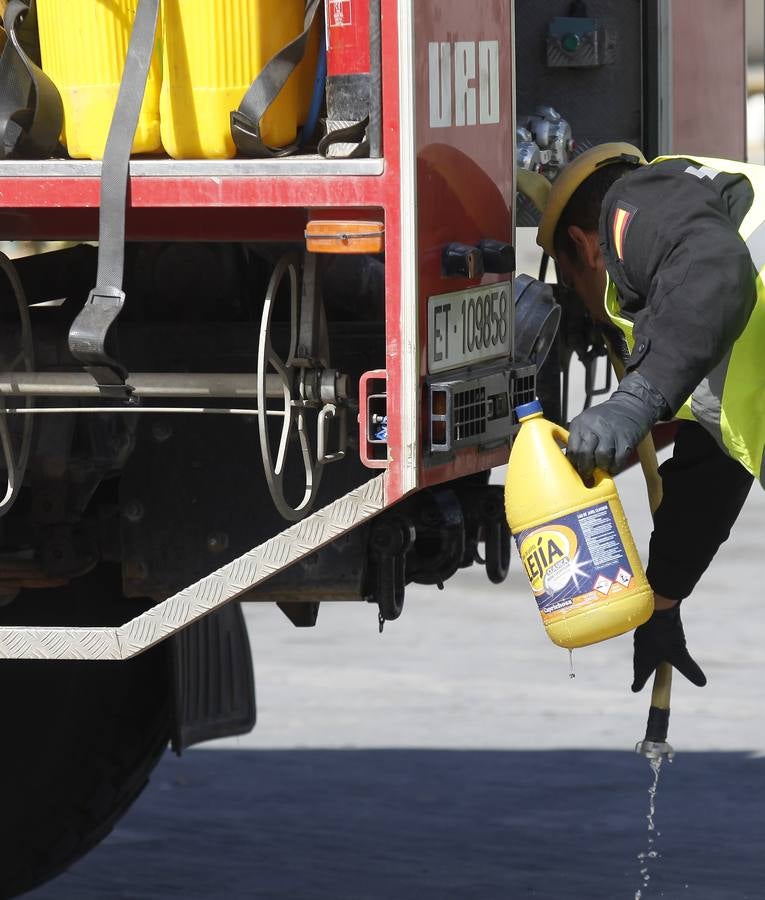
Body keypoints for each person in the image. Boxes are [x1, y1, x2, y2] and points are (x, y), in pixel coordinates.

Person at [536, 142, 765, 694]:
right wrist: (662, 601)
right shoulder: (693, 295)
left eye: (573, 289)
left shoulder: (632, 204)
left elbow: (712, 269)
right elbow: (714, 465)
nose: (592, 314)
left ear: (583, 245)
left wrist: (636, 398)